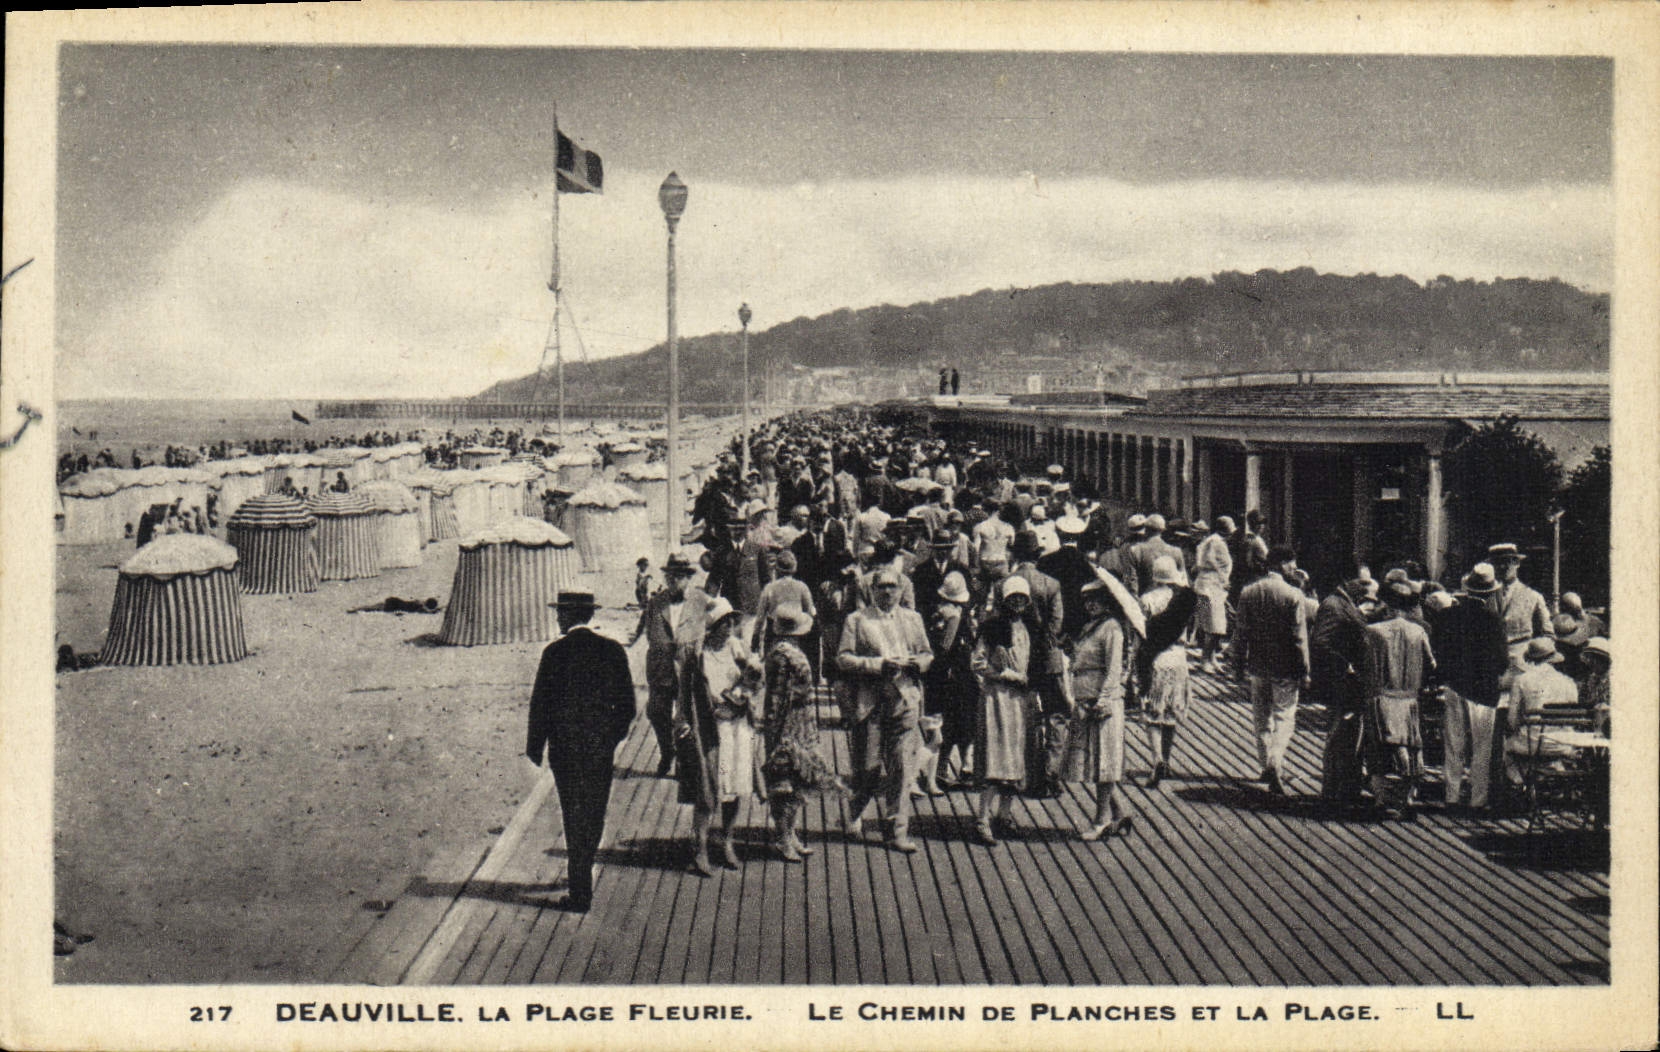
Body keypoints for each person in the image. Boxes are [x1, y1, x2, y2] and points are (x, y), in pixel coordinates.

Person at [524, 591, 637, 912]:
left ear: (569, 616)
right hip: (599, 749)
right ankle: (582, 872)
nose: (557, 618)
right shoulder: (613, 651)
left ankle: (580, 890)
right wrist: (611, 738)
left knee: (572, 814)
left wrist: (535, 747)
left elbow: (540, 705)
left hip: (565, 750)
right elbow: (627, 706)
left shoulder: (554, 653)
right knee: (595, 811)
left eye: (560, 613)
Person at [836, 568, 934, 853]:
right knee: (868, 771)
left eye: (893, 587)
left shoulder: (913, 618)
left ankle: (896, 831)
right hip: (871, 701)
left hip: (905, 699)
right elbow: (843, 658)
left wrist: (919, 663)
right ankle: (855, 811)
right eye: (882, 587)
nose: (888, 592)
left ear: (902, 590)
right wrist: (878, 664)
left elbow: (927, 652)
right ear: (872, 590)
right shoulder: (857, 620)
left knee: (902, 768)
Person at [675, 597, 764, 875]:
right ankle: (699, 846)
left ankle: (726, 840)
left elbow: (756, 680)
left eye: (732, 622)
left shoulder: (738, 648)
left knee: (736, 786)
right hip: (711, 729)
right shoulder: (697, 655)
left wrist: (748, 688)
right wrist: (682, 722)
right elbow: (684, 692)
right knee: (709, 787)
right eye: (723, 623)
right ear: (712, 627)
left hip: (738, 727)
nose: (729, 628)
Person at [760, 606, 845, 862]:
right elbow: (777, 697)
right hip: (788, 725)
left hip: (800, 721)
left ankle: (790, 833)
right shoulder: (781, 656)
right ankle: (783, 837)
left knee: (797, 780)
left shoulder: (785, 652)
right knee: (784, 783)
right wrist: (774, 732)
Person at [1429, 562, 1509, 812]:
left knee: (1453, 745)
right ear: (1491, 592)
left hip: (1454, 686)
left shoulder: (1449, 616)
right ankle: (1477, 799)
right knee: (1481, 748)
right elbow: (1502, 660)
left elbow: (1438, 651)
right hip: (1483, 692)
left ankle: (1451, 796)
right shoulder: (1493, 620)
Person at [1233, 545, 1311, 796]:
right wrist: (1304, 669)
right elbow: (1299, 637)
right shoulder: (1293, 594)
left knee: (1261, 717)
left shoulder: (1248, 592)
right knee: (1284, 716)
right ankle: (1275, 761)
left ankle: (1265, 763)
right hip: (1286, 666)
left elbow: (1241, 632)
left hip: (1258, 664)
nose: (1293, 568)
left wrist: (1237, 664)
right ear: (1280, 565)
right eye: (1290, 564)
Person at [1065, 575, 1136, 839]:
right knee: (1095, 761)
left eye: (1097, 600)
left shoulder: (1113, 629)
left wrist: (1103, 701)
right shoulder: (1092, 627)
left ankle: (1101, 820)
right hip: (1085, 698)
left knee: (1103, 763)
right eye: (1088, 600)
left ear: (1108, 601)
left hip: (1100, 703)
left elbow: (1114, 669)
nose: (1091, 605)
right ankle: (1121, 813)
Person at [1362, 580, 1436, 821]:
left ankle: (1382, 799)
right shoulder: (1418, 631)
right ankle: (1407, 797)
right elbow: (1431, 664)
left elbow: (1365, 666)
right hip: (1409, 699)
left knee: (1378, 751)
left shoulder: (1374, 632)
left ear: (1386, 603)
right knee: (1413, 748)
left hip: (1382, 697)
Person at [971, 576, 1036, 845]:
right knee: (995, 758)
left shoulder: (1031, 627)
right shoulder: (991, 628)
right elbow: (977, 662)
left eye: (1022, 598)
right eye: (1013, 598)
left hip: (1021, 701)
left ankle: (1004, 815)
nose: (1018, 603)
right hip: (997, 699)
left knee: (1015, 759)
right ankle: (982, 818)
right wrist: (1004, 674)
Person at [632, 551, 705, 777]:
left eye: (680, 576)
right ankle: (666, 751)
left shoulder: (701, 602)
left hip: (688, 668)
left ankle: (685, 762)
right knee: (656, 711)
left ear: (688, 578)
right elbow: (648, 633)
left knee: (688, 717)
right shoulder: (655, 603)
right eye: (671, 576)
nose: (675, 580)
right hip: (661, 668)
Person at [1311, 567, 1374, 811]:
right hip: (1342, 682)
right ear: (1347, 580)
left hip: (1349, 683)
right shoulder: (1334, 605)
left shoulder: (1344, 603)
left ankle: (1345, 787)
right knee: (1341, 735)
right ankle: (1335, 791)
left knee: (1350, 735)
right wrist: (1345, 665)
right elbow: (1320, 641)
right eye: (1363, 582)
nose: (1366, 587)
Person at [1137, 556, 1198, 790]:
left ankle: (1157, 760)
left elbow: (1142, 634)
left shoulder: (1147, 599)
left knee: (1152, 712)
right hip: (1179, 657)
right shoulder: (1183, 598)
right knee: (1172, 711)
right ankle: (1168, 759)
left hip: (1156, 658)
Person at [924, 570, 978, 791]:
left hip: (942, 675)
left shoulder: (936, 613)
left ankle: (943, 769)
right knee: (962, 723)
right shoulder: (956, 616)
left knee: (948, 725)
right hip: (957, 675)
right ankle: (963, 767)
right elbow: (948, 646)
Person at [1191, 517, 1235, 673]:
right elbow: (1209, 562)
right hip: (1211, 589)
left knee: (1209, 624)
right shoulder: (1216, 542)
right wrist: (1223, 579)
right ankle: (1205, 660)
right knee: (1214, 626)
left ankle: (1212, 658)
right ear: (1225, 529)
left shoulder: (1211, 541)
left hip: (1207, 588)